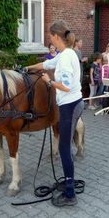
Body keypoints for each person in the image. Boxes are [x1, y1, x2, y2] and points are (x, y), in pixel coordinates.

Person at [27, 21, 84, 207]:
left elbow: (66, 86)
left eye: (50, 36)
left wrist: (48, 82)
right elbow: (47, 63)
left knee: (64, 149)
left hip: (69, 105)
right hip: (73, 103)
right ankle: (68, 185)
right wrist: (28, 68)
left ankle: (70, 194)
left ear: (56, 37)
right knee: (64, 148)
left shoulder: (66, 57)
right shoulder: (65, 54)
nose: (49, 39)